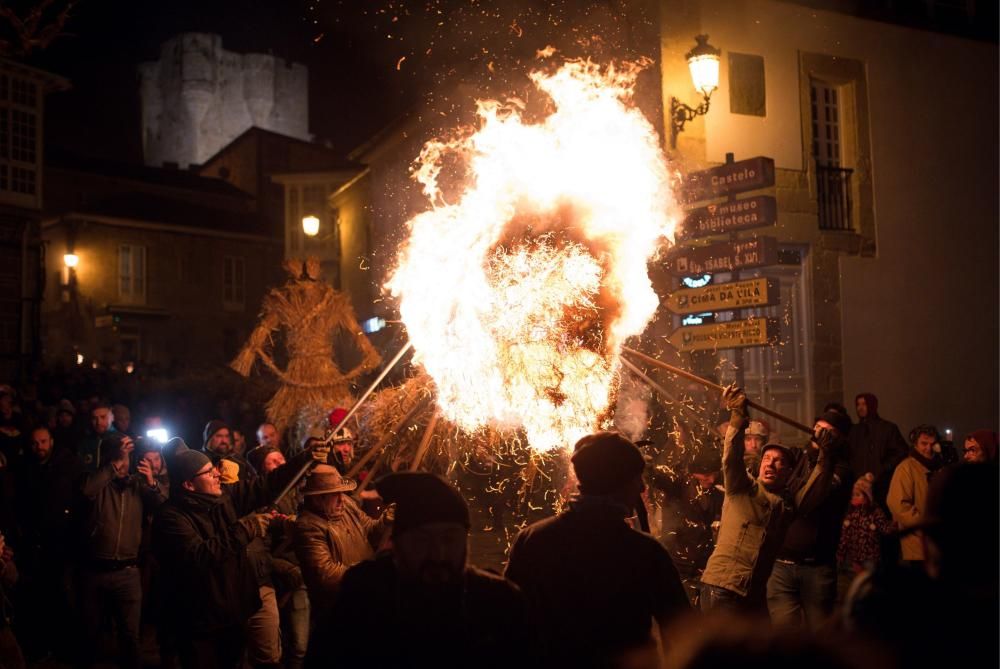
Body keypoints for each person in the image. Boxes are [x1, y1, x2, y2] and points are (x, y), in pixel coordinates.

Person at [308, 472, 534, 669]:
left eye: (449, 539)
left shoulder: (497, 603)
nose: (438, 553)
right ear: (398, 545)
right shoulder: (365, 602)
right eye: (421, 541)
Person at [506, 432, 689, 667]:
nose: (643, 486)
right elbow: (683, 635)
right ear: (620, 482)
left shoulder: (533, 539)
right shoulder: (643, 552)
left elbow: (508, 624)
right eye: (636, 478)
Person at [153, 437, 328, 669]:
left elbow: (266, 485)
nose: (217, 474)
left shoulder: (224, 497)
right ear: (188, 485)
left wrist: (305, 458)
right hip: (200, 619)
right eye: (208, 472)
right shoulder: (171, 518)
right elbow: (199, 556)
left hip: (233, 613)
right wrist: (245, 529)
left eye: (213, 468)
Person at [700, 386, 836, 613]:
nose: (770, 464)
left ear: (789, 471)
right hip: (722, 587)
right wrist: (738, 417)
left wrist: (827, 455)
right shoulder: (742, 487)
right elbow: (731, 457)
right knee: (723, 649)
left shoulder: (786, 506)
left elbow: (816, 491)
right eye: (767, 458)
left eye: (779, 461)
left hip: (754, 594)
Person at [77, 432, 166, 669]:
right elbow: (86, 491)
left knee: (130, 637)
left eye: (128, 458)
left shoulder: (139, 485)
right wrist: (115, 461)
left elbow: (165, 508)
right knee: (90, 634)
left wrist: (152, 483)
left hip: (128, 571)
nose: (124, 465)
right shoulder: (96, 481)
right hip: (94, 569)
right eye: (120, 459)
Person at [766, 409, 853, 629]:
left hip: (817, 568)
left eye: (829, 432)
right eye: (819, 428)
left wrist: (826, 455)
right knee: (785, 638)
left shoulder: (842, 468)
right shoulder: (797, 457)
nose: (821, 433)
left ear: (840, 438)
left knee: (820, 638)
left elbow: (810, 500)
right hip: (781, 565)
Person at [13, 426, 83, 660]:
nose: (39, 447)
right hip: (37, 543)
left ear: (51, 441)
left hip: (62, 541)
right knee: (41, 596)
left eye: (43, 442)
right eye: (35, 443)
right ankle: (45, 646)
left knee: (64, 593)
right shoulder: (27, 469)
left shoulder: (67, 465)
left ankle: (67, 647)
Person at [293, 464, 391, 619]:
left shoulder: (345, 504)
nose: (342, 499)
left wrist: (385, 521)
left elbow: (369, 530)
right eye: (334, 494)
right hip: (341, 608)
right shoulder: (308, 526)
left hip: (367, 595)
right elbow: (326, 575)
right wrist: (368, 572)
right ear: (318, 498)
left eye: (341, 492)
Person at [649, 448, 723, 605]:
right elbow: (659, 479)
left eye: (714, 475)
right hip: (677, 560)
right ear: (694, 473)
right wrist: (647, 466)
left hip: (703, 561)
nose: (710, 480)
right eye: (706, 475)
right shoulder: (679, 483)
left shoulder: (716, 491)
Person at [886, 424, 940, 563]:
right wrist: (923, 527)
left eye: (932, 444)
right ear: (915, 444)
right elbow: (898, 504)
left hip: (936, 544)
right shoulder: (906, 468)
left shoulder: (937, 467)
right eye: (924, 443)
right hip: (916, 544)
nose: (929, 448)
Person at [847, 393, 907, 508]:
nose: (860, 407)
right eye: (858, 404)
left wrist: (881, 469)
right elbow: (849, 456)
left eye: (864, 404)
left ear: (872, 405)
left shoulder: (888, 428)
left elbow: (900, 452)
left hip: (882, 486)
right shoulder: (854, 431)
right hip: (859, 488)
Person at [836, 474, 895, 574]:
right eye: (853, 495)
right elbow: (845, 535)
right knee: (859, 580)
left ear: (867, 496)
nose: (854, 497)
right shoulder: (851, 513)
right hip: (855, 556)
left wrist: (892, 527)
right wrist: (841, 552)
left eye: (858, 495)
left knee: (870, 580)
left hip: (870, 556)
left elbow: (884, 527)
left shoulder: (875, 511)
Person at [77, 402, 117, 473]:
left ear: (112, 417)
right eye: (94, 418)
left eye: (103, 417)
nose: (98, 422)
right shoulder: (85, 443)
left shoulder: (121, 441)